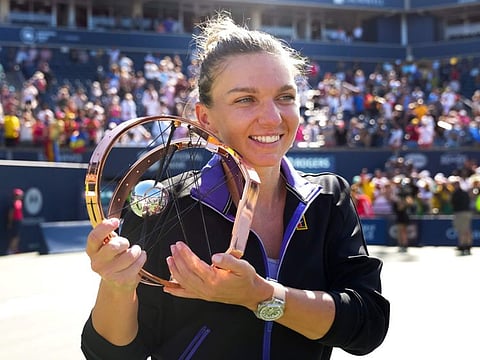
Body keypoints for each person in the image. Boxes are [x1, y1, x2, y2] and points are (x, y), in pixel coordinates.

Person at [81, 13, 389, 360]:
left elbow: (368, 326)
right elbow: (111, 355)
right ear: (205, 118)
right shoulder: (165, 205)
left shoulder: (328, 197)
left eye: (285, 97)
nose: (272, 117)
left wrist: (258, 295)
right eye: (246, 99)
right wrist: (117, 286)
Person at [449, 176, 473, 255]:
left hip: (461, 213)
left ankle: (463, 245)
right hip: (466, 213)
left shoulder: (456, 193)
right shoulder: (465, 193)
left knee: (462, 230)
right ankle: (467, 245)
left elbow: (453, 203)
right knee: (466, 229)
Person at [7, 188, 24, 254]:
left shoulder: (20, 202)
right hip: (15, 221)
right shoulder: (13, 203)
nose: (21, 196)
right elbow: (10, 214)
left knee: (17, 236)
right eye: (19, 195)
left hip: (19, 221)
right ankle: (10, 250)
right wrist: (10, 223)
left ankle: (15, 249)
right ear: (15, 195)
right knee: (14, 236)